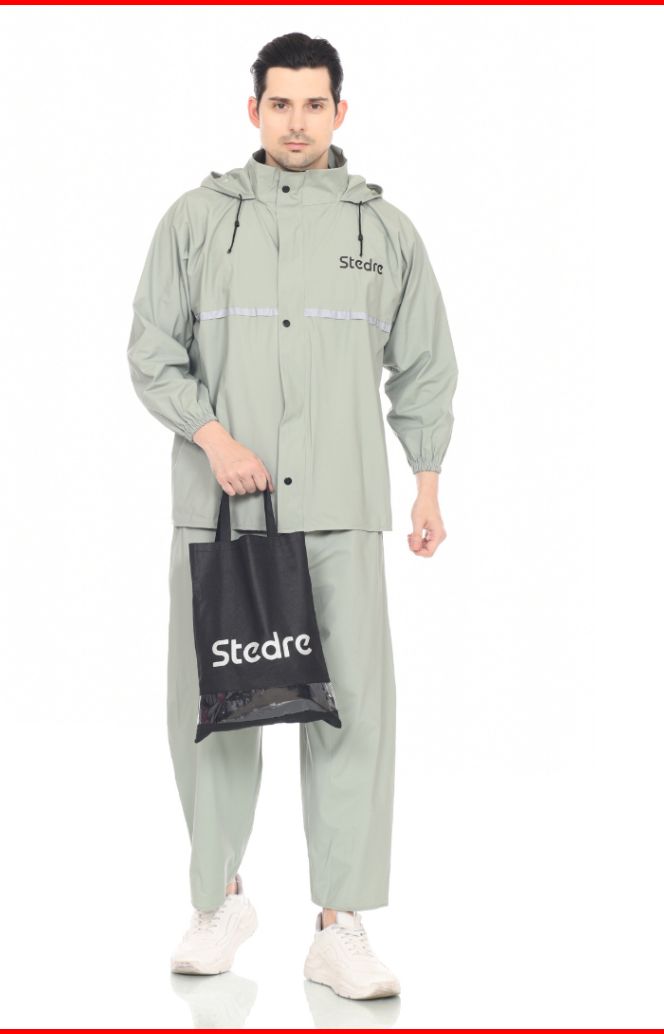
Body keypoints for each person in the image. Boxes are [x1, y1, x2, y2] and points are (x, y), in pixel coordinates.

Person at [127, 31, 458, 1001]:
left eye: (315, 105)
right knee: (215, 707)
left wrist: (426, 479)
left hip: (341, 509)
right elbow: (151, 350)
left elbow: (425, 364)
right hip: (221, 512)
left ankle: (339, 924)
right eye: (281, 104)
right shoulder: (195, 220)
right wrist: (211, 436)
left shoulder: (383, 232)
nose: (297, 122)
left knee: (351, 708)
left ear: (339, 112)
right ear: (254, 111)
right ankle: (217, 899)